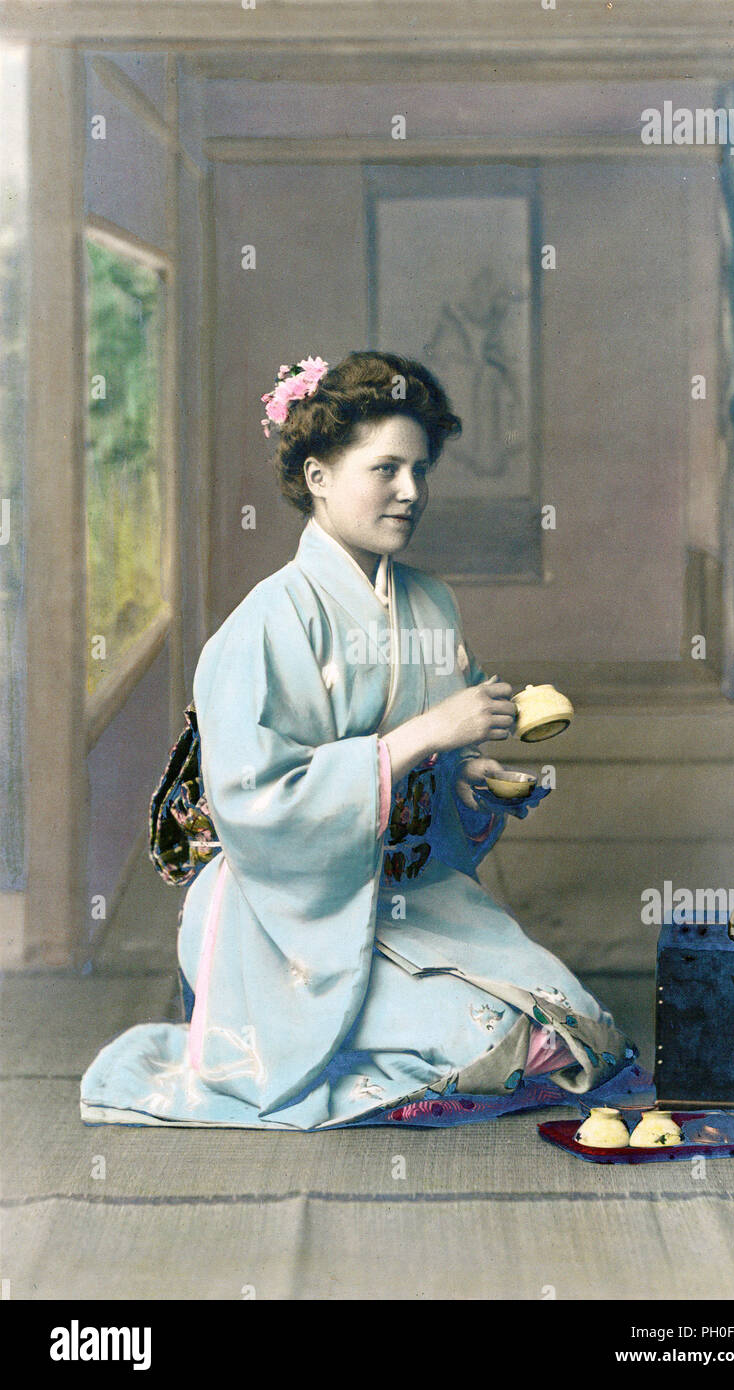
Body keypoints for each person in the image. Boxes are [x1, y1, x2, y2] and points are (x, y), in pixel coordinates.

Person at [80, 350, 645, 1130]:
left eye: (419, 470)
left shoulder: (429, 605)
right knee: (493, 1041)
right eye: (386, 469)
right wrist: (422, 735)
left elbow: (442, 754)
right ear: (318, 476)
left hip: (408, 894)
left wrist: (470, 774)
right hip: (286, 915)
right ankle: (274, 1022)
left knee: (572, 1031)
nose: (411, 493)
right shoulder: (266, 623)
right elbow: (255, 802)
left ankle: (392, 1030)